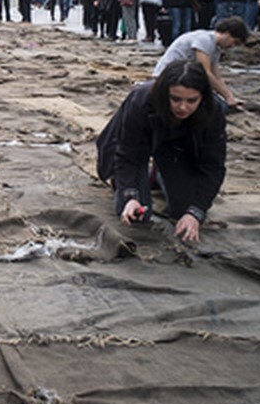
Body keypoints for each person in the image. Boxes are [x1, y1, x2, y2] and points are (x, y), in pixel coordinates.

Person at [96, 59, 226, 243]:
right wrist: (130, 196)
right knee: (138, 214)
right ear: (165, 94)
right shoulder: (141, 100)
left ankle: (158, 174)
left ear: (202, 97)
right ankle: (138, 182)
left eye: (191, 100)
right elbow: (126, 155)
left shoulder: (214, 110)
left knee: (185, 210)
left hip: (179, 146)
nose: (183, 107)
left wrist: (195, 212)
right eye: (176, 99)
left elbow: (213, 166)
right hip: (138, 144)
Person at [153, 16, 250, 109]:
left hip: (183, 76)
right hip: (168, 77)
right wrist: (227, 97)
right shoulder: (205, 40)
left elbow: (217, 77)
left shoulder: (215, 48)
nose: (233, 46)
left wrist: (229, 97)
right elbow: (206, 73)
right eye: (235, 42)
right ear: (228, 33)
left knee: (219, 105)